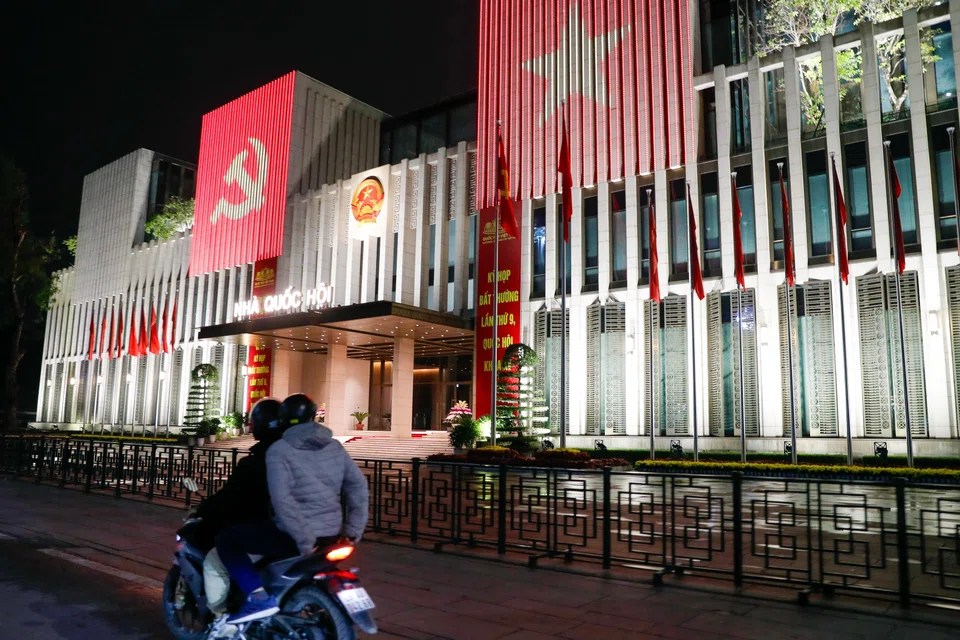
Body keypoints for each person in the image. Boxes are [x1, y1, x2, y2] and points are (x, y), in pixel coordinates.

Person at [216, 393, 369, 625]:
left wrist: (305, 540)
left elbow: (282, 500)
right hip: (333, 533)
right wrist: (352, 531)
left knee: (227, 540)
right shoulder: (334, 446)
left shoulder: (279, 450)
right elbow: (358, 486)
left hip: (296, 536)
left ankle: (258, 597)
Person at [188, 397, 284, 637]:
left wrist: (204, 511)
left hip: (279, 530)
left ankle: (225, 622)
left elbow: (231, 499)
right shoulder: (301, 456)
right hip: (325, 531)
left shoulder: (259, 461)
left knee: (217, 557)